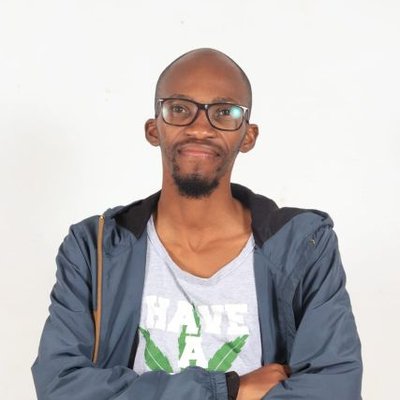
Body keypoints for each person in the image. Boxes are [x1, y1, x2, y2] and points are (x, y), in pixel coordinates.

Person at [32, 48, 362, 400]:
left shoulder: (303, 247)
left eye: (224, 112)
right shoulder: (94, 248)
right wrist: (229, 389)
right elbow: (60, 387)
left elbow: (335, 388)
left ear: (248, 136)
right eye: (179, 109)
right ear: (153, 129)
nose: (200, 128)